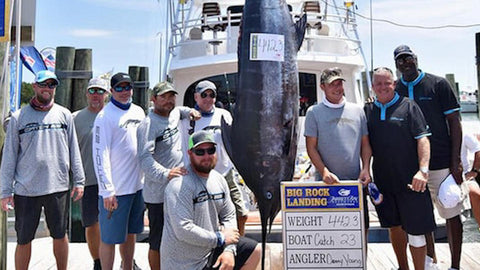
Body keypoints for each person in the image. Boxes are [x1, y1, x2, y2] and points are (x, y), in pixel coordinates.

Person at [0, 70, 85, 270]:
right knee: (23, 238)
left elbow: (74, 150)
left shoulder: (64, 114)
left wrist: (79, 181)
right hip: (25, 189)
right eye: (43, 84)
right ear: (35, 86)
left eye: (51, 85)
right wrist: (5, 191)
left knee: (60, 234)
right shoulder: (18, 117)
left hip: (58, 187)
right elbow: (9, 157)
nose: (47, 89)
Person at [394, 45, 463, 270]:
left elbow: (455, 123)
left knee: (451, 212)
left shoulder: (439, 84)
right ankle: (430, 261)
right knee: (423, 218)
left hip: (442, 162)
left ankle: (455, 265)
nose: (405, 63)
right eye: (400, 60)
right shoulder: (395, 89)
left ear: (416, 58)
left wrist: (456, 161)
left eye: (408, 58)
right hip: (412, 166)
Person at [365, 67, 436, 270]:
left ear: (394, 84)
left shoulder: (409, 106)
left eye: (387, 82)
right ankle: (402, 268)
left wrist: (423, 170)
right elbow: (365, 144)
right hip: (384, 181)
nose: (383, 87)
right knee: (393, 226)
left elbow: (423, 139)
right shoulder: (368, 110)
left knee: (415, 231)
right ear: (372, 87)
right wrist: (365, 169)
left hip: (411, 182)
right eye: (378, 83)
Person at [161, 130, 261, 269]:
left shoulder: (219, 179)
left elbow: (229, 215)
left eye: (211, 150)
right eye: (200, 152)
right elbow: (183, 229)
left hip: (210, 251)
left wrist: (229, 250)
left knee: (255, 251)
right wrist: (219, 238)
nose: (206, 156)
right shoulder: (179, 185)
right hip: (184, 264)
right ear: (190, 153)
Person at [136, 81, 200, 270]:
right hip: (158, 194)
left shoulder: (173, 112)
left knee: (180, 234)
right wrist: (166, 174)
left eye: (171, 96)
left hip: (178, 189)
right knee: (157, 240)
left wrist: (190, 112)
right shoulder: (148, 125)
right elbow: (144, 159)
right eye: (163, 96)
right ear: (153, 99)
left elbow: (180, 110)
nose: (168, 100)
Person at [304, 67, 372, 229]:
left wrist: (366, 168)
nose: (337, 88)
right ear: (322, 87)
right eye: (332, 84)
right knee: (329, 231)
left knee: (362, 228)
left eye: (339, 83)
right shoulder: (313, 112)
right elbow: (311, 148)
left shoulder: (358, 111)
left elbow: (365, 144)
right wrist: (324, 171)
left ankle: (363, 256)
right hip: (326, 184)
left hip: (356, 184)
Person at [181, 80, 249, 235]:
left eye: (212, 95)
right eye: (204, 95)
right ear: (196, 97)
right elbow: (170, 112)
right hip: (200, 176)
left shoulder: (224, 114)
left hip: (225, 173)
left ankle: (237, 247)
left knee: (242, 214)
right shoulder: (186, 118)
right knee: (207, 220)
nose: (208, 98)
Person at [93, 72, 145, 270]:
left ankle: (128, 267)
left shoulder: (139, 112)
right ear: (111, 91)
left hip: (137, 187)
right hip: (115, 191)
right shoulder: (104, 117)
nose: (125, 92)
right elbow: (100, 154)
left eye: (128, 87)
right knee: (109, 238)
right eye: (120, 88)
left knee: (131, 233)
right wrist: (107, 190)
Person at [73, 77, 110, 270]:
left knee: (115, 224)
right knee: (92, 224)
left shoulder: (115, 114)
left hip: (113, 182)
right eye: (93, 91)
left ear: (107, 94)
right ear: (86, 93)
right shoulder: (75, 118)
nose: (96, 95)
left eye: (100, 91)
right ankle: (97, 261)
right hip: (88, 181)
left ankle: (121, 259)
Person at [460, 132, 480, 228]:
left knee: (475, 192)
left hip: (465, 175)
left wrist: (474, 171)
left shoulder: (465, 133)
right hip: (443, 174)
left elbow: (478, 149)